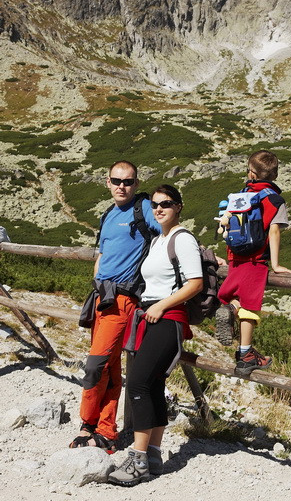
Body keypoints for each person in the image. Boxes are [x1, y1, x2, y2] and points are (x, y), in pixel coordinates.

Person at [108, 184, 203, 486]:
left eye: (167, 204)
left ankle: (137, 461)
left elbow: (196, 282)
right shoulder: (159, 240)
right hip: (150, 317)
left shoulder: (182, 239)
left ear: (179, 207)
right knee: (154, 383)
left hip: (168, 318)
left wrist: (162, 305)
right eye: (155, 204)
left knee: (137, 383)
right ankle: (152, 456)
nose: (159, 209)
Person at [69, 160, 161, 452]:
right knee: (107, 366)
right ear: (107, 182)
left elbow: (168, 228)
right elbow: (104, 252)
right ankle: (103, 430)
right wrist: (96, 278)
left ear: (137, 184)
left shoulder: (143, 208)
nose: (122, 186)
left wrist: (199, 253)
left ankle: (89, 424)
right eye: (117, 181)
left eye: (128, 181)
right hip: (100, 297)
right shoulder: (108, 213)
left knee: (95, 365)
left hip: (123, 300)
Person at [215, 150, 291, 376]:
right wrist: (276, 265)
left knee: (239, 297)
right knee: (250, 306)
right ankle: (246, 355)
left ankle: (231, 311)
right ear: (275, 174)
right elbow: (275, 231)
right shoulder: (274, 199)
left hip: (235, 257)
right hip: (256, 258)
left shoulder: (242, 193)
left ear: (251, 172)